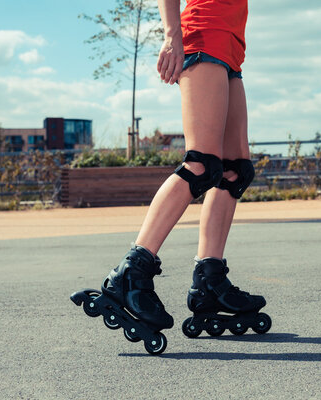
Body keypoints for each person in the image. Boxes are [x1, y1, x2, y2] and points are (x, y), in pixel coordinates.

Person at [96, 0, 268, 342]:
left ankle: (210, 278)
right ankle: (131, 273)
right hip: (203, 36)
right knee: (201, 165)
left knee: (235, 171)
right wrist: (172, 36)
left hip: (231, 46)